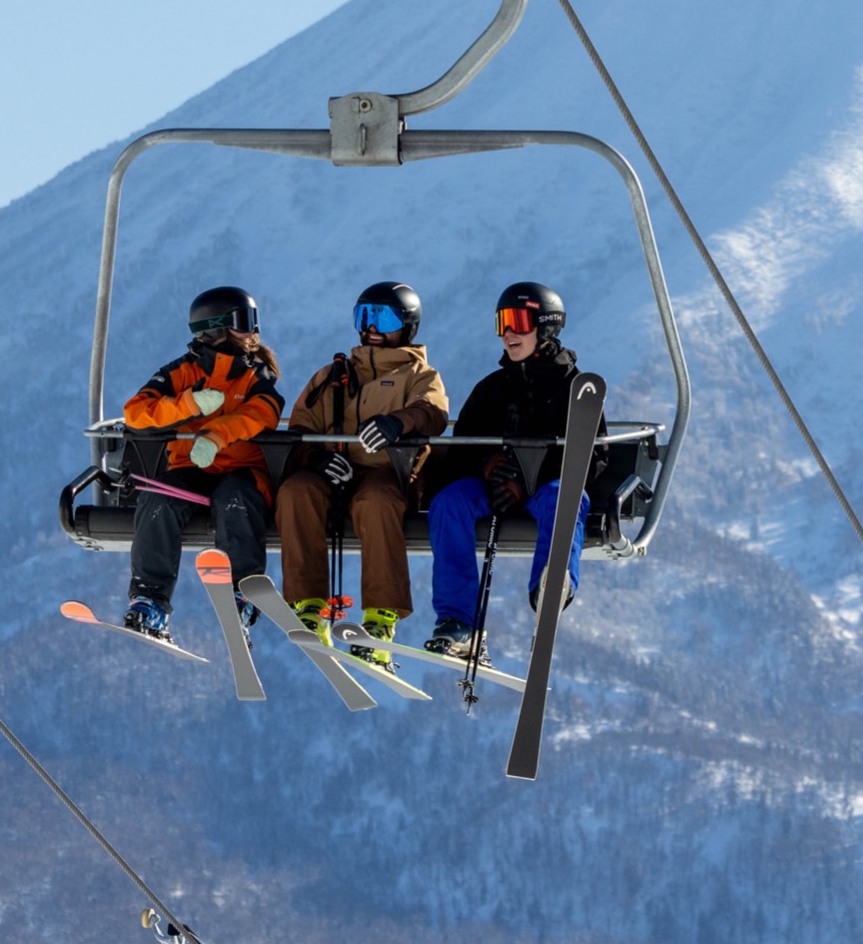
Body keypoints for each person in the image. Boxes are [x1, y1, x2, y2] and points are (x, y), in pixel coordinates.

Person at [424, 281, 605, 658]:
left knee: (565, 496)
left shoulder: (575, 390)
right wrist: (486, 467)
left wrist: (529, 480)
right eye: (502, 322)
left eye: (519, 322)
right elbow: (463, 447)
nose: (508, 333)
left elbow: (593, 457)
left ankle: (550, 585)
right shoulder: (493, 389)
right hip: (492, 491)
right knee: (450, 503)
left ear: (547, 327)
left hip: (544, 491)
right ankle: (458, 622)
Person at [275, 280, 449, 665]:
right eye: (363, 315)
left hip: (384, 473)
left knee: (376, 500)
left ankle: (380, 618)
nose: (370, 326)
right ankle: (308, 605)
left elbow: (433, 412)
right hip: (333, 471)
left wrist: (397, 423)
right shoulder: (333, 376)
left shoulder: (418, 374)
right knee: (296, 490)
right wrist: (315, 459)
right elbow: (301, 429)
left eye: (382, 316)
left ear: (406, 325)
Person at [113, 286, 282, 640]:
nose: (253, 332)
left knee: (235, 501)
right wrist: (188, 405)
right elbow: (136, 413)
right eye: (243, 323)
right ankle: (150, 599)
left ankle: (243, 592)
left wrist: (216, 435)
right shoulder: (182, 373)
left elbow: (263, 412)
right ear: (216, 328)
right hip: (190, 469)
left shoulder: (255, 375)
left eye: (254, 322)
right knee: (158, 501)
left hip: (242, 469)